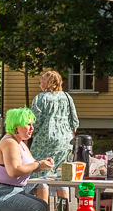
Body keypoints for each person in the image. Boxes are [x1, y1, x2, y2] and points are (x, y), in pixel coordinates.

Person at [27, 70, 79, 203]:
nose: (40, 81)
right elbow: (74, 122)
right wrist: (70, 137)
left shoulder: (40, 98)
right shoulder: (67, 97)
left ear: (49, 82)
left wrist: (30, 135)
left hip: (45, 139)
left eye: (42, 79)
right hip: (65, 140)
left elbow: (35, 121)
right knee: (62, 174)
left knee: (41, 174)